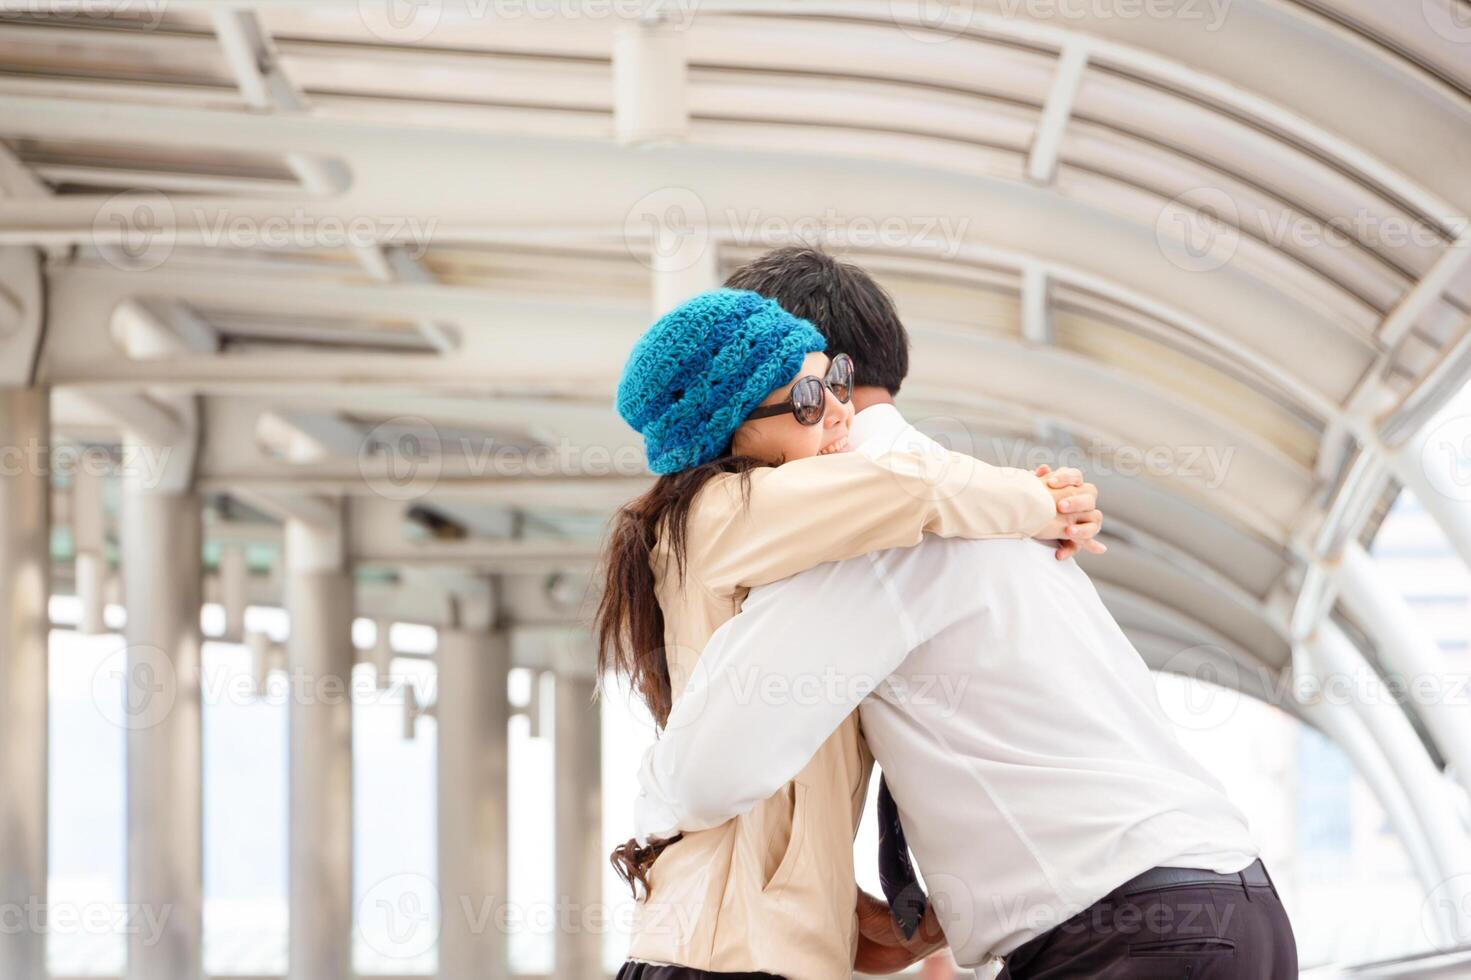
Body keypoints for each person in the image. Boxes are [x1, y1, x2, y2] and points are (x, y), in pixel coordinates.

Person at [633, 247, 1298, 979]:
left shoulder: (862, 526)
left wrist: (652, 811)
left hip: (1130, 937)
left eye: (827, 383)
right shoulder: (975, 501)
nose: (830, 408)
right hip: (1226, 906)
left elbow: (713, 769)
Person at [597, 285, 1105, 980]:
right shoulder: (722, 509)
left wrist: (841, 904)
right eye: (809, 401)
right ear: (730, 431)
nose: (841, 411)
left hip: (730, 952)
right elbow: (903, 488)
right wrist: (1042, 503)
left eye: (834, 379)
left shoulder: (746, 535)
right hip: (726, 958)